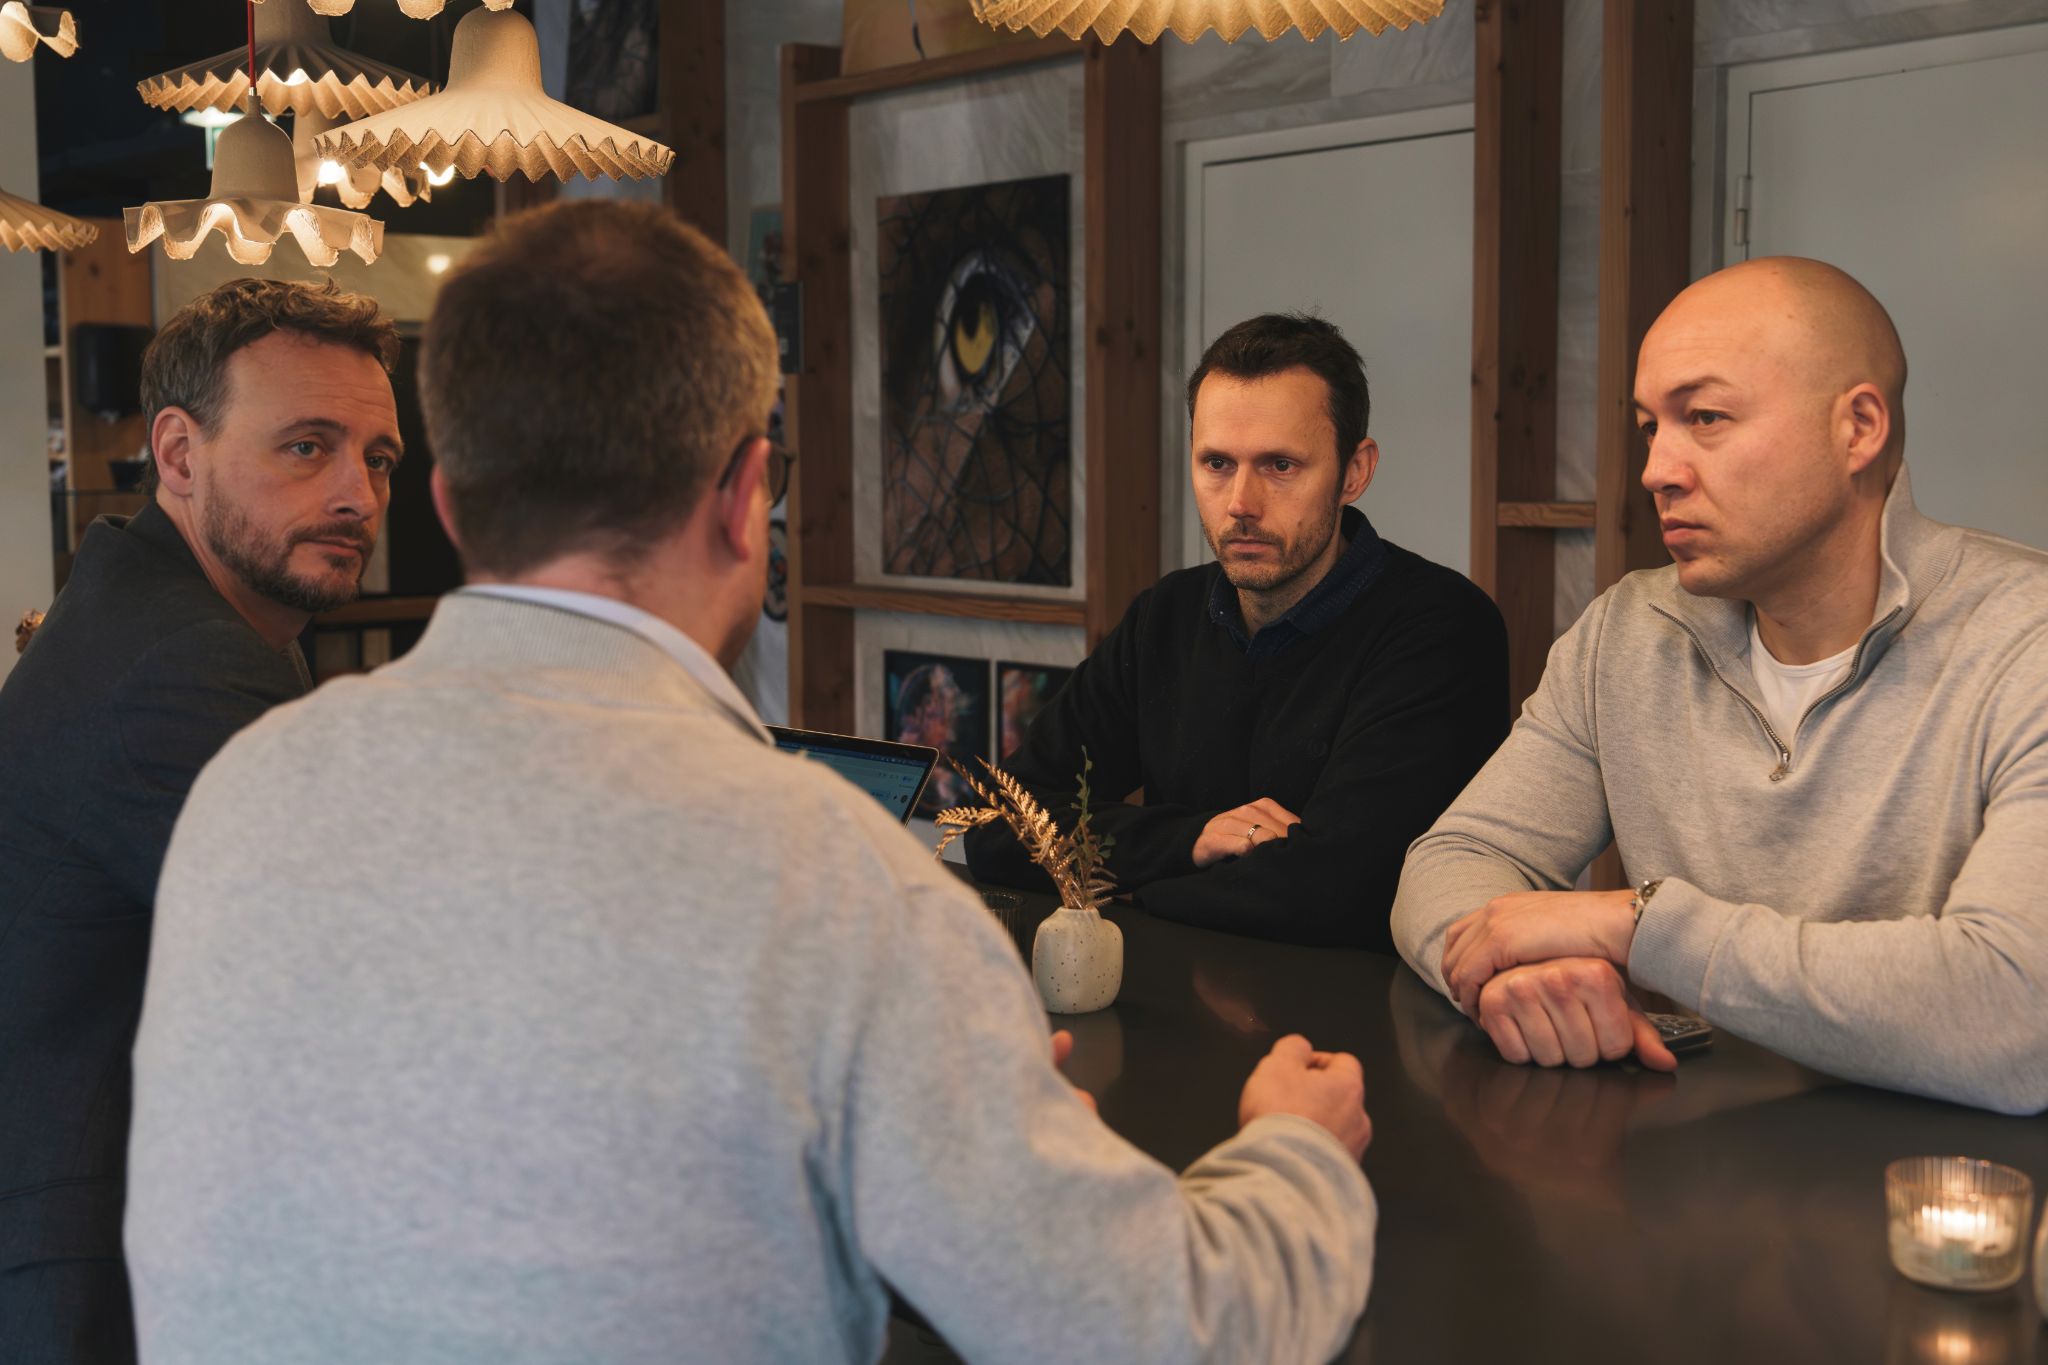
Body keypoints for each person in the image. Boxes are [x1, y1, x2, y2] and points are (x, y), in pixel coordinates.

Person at [126, 201, 1379, 1364]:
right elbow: (1176, 1333)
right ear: (746, 500)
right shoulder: (831, 876)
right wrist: (1294, 1153)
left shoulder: (246, 791)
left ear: (452, 507)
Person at [1391, 257, 2048, 1116]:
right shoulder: (1627, 633)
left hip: (1925, 1203)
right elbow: (1453, 860)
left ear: (1858, 428)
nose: (1657, 468)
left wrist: (1636, 926)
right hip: (1673, 1185)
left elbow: (2013, 1011)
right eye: (1649, 427)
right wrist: (1514, 975)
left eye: (1705, 417)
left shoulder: (2024, 640)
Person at [0, 278, 400, 1364]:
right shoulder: (180, 664)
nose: (358, 495)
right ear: (178, 455)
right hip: (85, 1273)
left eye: (377, 457)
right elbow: (376, 978)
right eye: (306, 448)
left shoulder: (157, 605)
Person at [967, 312, 1508, 950]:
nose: (1240, 504)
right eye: (1217, 463)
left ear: (1354, 473)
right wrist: (1188, 840)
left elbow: (1335, 893)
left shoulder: (1441, 627)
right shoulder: (1165, 616)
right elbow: (997, 822)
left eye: (1280, 465)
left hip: (1358, 1029)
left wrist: (1137, 889)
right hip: (1172, 1012)